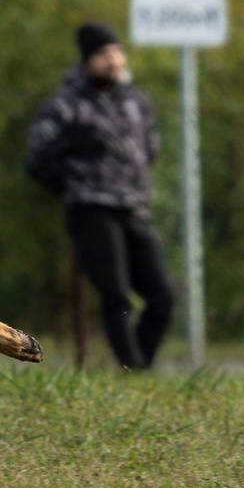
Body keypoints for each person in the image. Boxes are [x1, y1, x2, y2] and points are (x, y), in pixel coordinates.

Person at [25, 21, 175, 369]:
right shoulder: (65, 106)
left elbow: (151, 148)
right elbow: (37, 159)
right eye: (102, 54)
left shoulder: (136, 102)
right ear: (86, 61)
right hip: (90, 208)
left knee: (163, 297)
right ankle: (133, 369)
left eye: (115, 52)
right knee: (116, 294)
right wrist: (74, 187)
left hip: (134, 206)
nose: (112, 60)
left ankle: (138, 368)